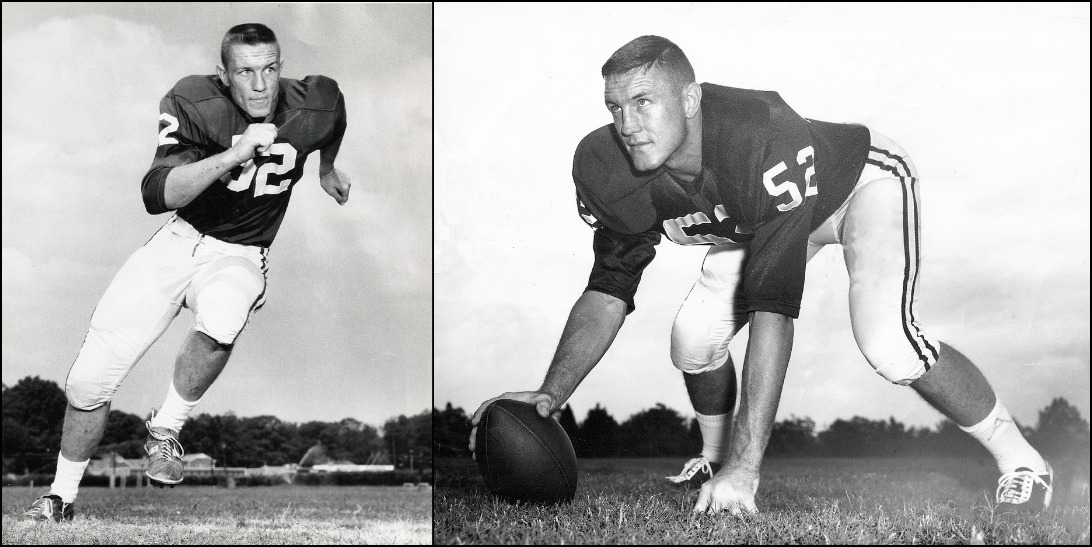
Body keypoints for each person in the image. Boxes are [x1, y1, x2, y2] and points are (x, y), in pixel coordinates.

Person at [469, 35, 1053, 515]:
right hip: (757, 221)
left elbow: (772, 309)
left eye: (644, 102)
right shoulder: (616, 167)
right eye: (615, 108)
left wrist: (749, 470)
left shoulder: (759, 135)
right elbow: (607, 291)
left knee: (889, 343)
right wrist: (552, 392)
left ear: (690, 99)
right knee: (692, 341)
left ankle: (1023, 460)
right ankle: (713, 458)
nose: (627, 124)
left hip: (857, 187)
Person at [23, 23, 350, 522]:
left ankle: (166, 430)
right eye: (245, 72)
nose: (260, 85)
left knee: (224, 314)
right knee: (87, 385)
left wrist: (326, 169)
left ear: (281, 67)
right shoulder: (195, 101)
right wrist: (234, 154)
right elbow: (157, 195)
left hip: (241, 251)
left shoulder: (314, 102)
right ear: (224, 75)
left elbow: (335, 117)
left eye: (269, 69)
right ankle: (59, 497)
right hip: (176, 243)